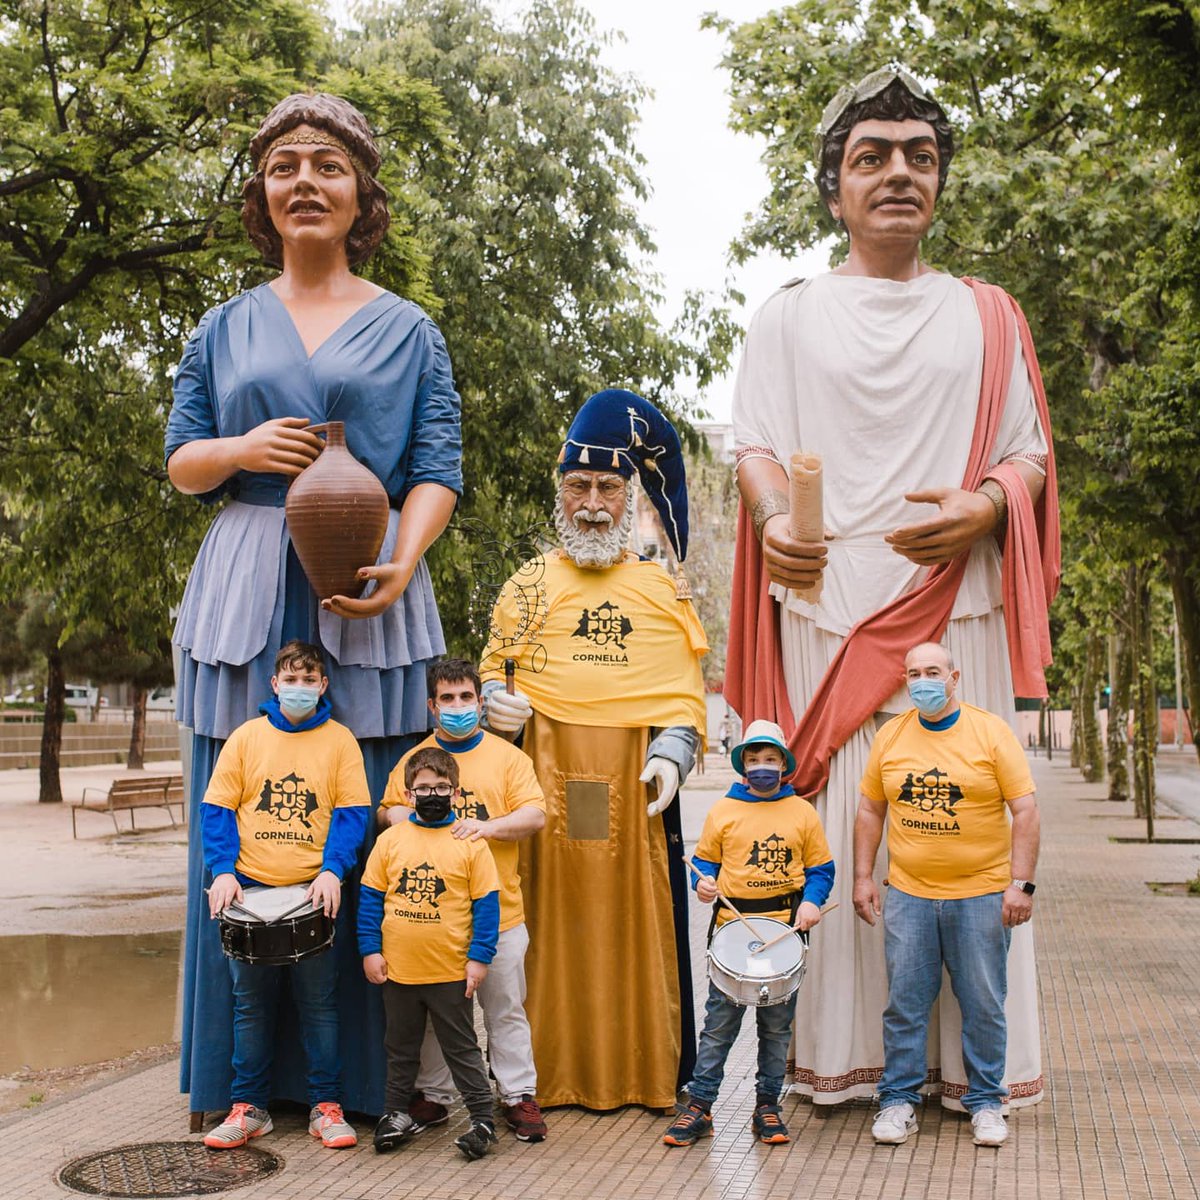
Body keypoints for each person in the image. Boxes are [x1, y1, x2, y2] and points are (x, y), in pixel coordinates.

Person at [727, 64, 1059, 1111]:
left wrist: (989, 505)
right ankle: (845, 1063)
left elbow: (1030, 455)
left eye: (919, 155)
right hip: (827, 610)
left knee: (963, 814)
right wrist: (777, 517)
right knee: (848, 825)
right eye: (871, 157)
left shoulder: (990, 315)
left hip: (951, 612)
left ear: (941, 180)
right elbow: (756, 446)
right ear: (835, 190)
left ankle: (979, 1072)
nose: (898, 173)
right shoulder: (786, 315)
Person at [165, 92, 462, 1119]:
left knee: (357, 811)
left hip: (363, 581)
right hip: (250, 570)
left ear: (362, 194)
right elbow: (182, 460)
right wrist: (243, 452)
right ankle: (237, 1076)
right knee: (245, 806)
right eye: (285, 163)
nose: (304, 180)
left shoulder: (411, 327)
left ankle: (357, 1082)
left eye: (327, 165)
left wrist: (404, 553)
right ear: (262, 192)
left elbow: (436, 465)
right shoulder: (222, 326)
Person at [480, 389, 708, 1110]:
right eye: (578, 486)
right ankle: (542, 1076)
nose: (592, 504)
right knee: (550, 938)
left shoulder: (657, 592)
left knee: (631, 940)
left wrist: (673, 752)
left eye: (609, 487)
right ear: (560, 492)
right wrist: (498, 709)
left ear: (630, 496)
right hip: (543, 796)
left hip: (635, 797)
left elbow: (682, 694)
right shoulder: (528, 586)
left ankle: (639, 1072)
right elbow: (494, 671)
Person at [854, 642, 1040, 1147]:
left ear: (954, 676)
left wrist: (1020, 885)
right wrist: (863, 877)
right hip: (910, 895)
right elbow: (871, 811)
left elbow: (1025, 811)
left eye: (932, 671)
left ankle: (986, 1103)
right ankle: (897, 1101)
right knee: (905, 1004)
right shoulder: (890, 736)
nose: (922, 681)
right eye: (913, 673)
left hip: (981, 895)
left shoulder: (990, 732)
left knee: (983, 1003)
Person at [200, 640, 370, 1150]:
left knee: (320, 1004)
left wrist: (334, 870)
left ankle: (326, 1106)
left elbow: (352, 813)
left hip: (312, 897)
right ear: (274, 685)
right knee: (248, 1006)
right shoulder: (246, 738)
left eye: (308, 679)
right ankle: (249, 1108)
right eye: (289, 680)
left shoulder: (341, 741)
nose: (299, 688)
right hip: (248, 895)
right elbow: (218, 810)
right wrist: (223, 870)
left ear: (323, 685)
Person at [378, 659, 548, 1141]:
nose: (457, 707)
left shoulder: (508, 757)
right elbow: (386, 809)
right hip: (432, 920)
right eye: (447, 699)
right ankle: (434, 1095)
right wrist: (408, 819)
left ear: (480, 701)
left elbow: (536, 815)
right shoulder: (417, 758)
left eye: (465, 698)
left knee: (505, 1007)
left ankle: (517, 1097)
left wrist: (487, 827)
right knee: (433, 1015)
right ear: (432, 706)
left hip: (499, 916)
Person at [663, 720, 834, 1148]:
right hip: (731, 930)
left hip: (784, 931)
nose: (762, 766)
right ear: (743, 765)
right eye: (754, 759)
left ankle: (767, 1106)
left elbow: (821, 870)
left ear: (783, 765)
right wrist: (702, 885)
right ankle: (700, 1107)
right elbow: (704, 867)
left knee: (776, 1029)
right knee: (719, 1027)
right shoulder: (724, 810)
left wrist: (813, 901)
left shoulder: (802, 812)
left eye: (770, 759)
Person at [359, 746, 501, 1162]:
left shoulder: (471, 844)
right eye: (423, 788)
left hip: (450, 971)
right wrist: (370, 950)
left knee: (462, 1049)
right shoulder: (391, 841)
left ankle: (482, 1120)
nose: (433, 794)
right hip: (398, 971)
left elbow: (487, 908)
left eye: (441, 787)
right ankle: (395, 1114)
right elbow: (370, 900)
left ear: (456, 794)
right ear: (408, 796)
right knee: (400, 1048)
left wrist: (479, 958)